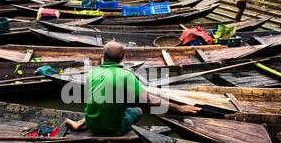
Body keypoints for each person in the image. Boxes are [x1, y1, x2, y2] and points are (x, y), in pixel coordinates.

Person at [65, 42, 200, 135]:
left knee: (99, 101)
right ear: (122, 59)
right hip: (112, 130)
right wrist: (179, 108)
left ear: (104, 57)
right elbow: (149, 99)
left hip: (91, 124)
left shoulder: (92, 73)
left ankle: (79, 123)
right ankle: (120, 128)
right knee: (138, 110)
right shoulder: (127, 76)